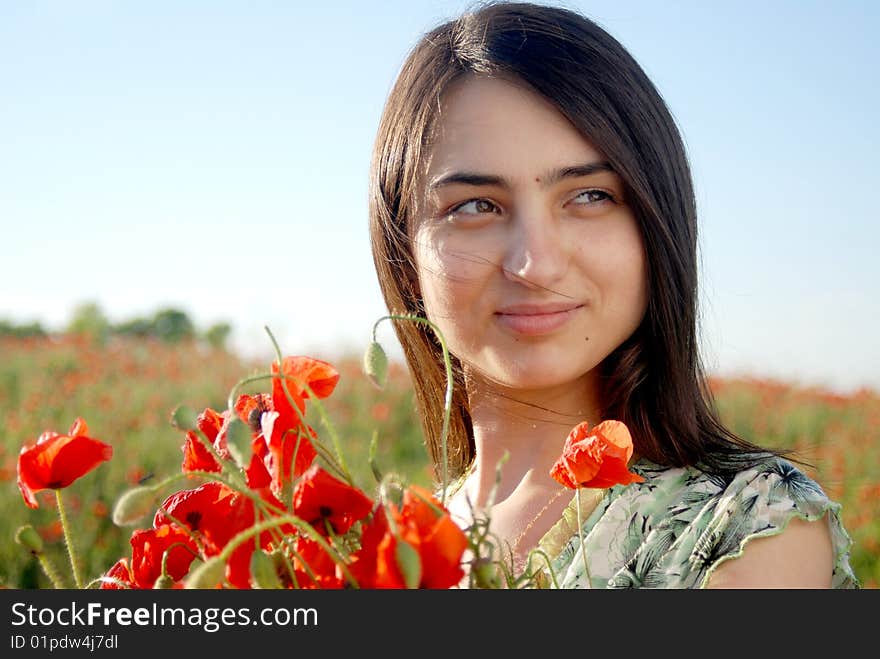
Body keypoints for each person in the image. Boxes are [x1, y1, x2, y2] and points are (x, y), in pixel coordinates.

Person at [367, 0, 859, 588]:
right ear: (404, 253)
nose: (535, 263)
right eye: (476, 206)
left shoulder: (751, 525)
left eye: (590, 196)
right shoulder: (381, 545)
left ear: (658, 223)